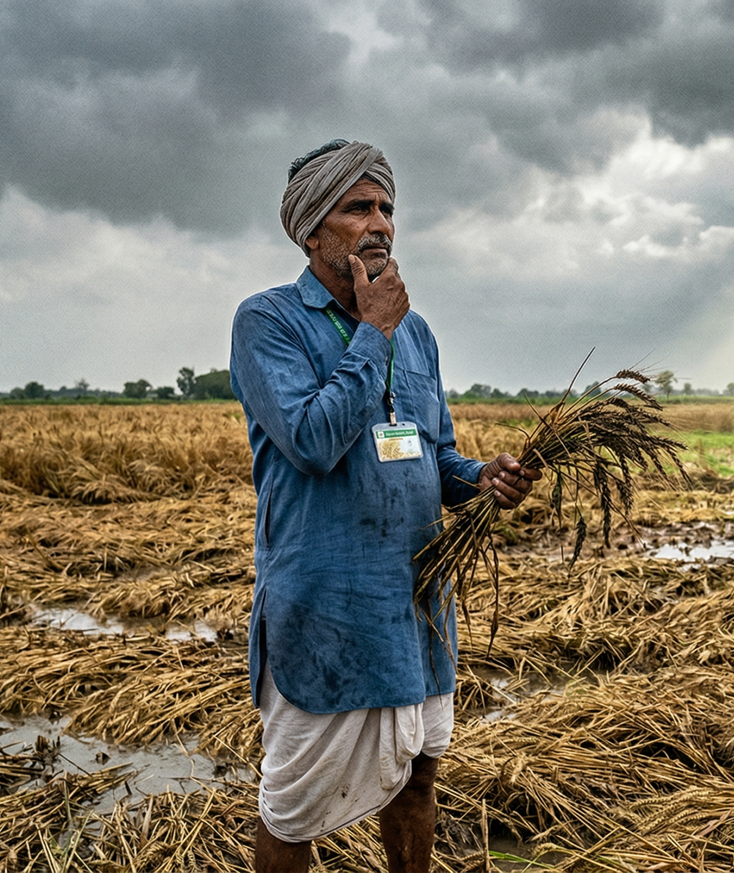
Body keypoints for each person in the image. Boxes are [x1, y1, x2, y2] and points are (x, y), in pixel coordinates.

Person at [230, 139, 539, 873]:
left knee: (417, 776)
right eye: (357, 208)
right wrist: (372, 330)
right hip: (328, 611)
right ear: (311, 229)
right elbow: (311, 440)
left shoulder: (418, 333)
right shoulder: (267, 323)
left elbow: (434, 457)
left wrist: (481, 479)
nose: (380, 225)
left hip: (418, 608)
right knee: (293, 808)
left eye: (387, 209)